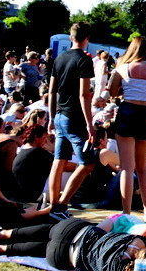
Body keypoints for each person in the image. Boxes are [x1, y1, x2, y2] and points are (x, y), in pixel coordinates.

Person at [108, 35, 146, 219]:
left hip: (127, 112)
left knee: (126, 167)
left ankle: (126, 212)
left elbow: (112, 92)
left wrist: (126, 89)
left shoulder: (122, 69)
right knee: (143, 168)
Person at [0, 216, 146, 271]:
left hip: (73, 229)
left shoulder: (138, 240)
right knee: (45, 249)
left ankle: (4, 234)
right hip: (61, 258)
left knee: (49, 230)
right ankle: (1, 248)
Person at [47, 22, 98, 213]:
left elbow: (52, 92)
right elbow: (84, 94)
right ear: (87, 39)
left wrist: (51, 117)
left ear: (70, 37)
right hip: (74, 117)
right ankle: (62, 203)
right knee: (87, 163)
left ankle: (54, 204)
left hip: (59, 114)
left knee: (58, 161)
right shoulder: (84, 60)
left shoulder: (59, 58)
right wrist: (90, 124)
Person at [14, 124, 56, 203]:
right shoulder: (37, 151)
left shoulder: (22, 150)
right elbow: (63, 166)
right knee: (66, 170)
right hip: (33, 195)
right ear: (36, 137)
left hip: (21, 194)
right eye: (44, 138)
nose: (46, 141)